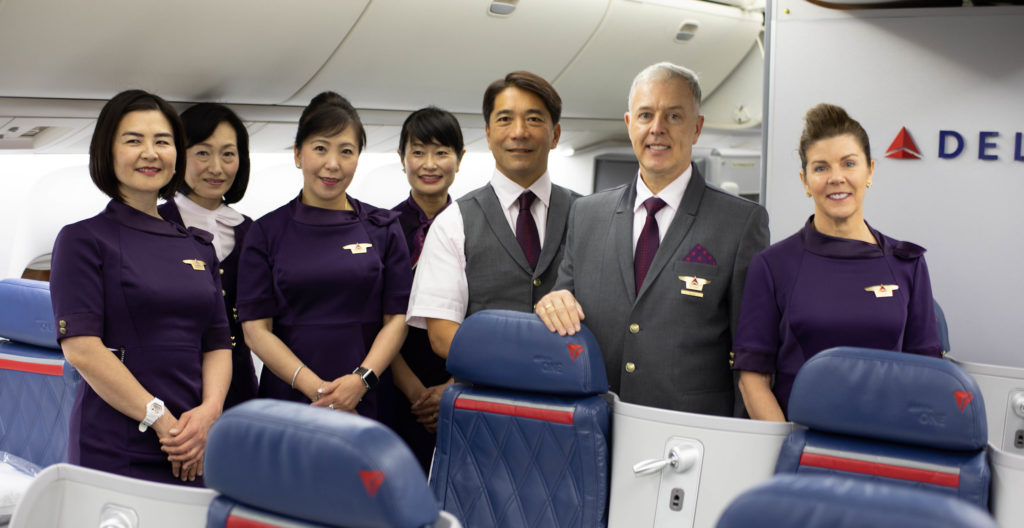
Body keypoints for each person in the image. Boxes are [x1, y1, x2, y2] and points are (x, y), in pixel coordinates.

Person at [535, 62, 769, 416]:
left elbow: (750, 354)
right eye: (646, 115)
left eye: (674, 116)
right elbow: (565, 303)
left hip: (691, 432)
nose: (657, 129)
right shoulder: (587, 214)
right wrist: (552, 301)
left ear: (697, 128)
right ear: (630, 124)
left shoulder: (739, 223)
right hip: (597, 422)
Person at [50, 89, 232, 485]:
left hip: (194, 440)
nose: (150, 152)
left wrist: (209, 413)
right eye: (133, 140)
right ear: (107, 153)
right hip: (118, 443)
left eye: (162, 142)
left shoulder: (198, 245)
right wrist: (162, 421)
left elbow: (218, 342)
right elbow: (82, 349)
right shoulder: (83, 240)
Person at [732, 103, 942, 421]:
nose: (836, 178)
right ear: (805, 181)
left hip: (888, 445)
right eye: (821, 168)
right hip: (800, 448)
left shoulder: (906, 264)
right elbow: (752, 380)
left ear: (870, 171)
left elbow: (928, 375)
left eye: (849, 164)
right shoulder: (773, 266)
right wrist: (788, 450)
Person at [237, 91, 410, 420]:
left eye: (346, 151)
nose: (333, 164)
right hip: (290, 397)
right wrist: (318, 390)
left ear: (358, 157)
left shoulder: (384, 227)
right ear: (298, 154)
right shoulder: (265, 232)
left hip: (367, 396)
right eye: (320, 148)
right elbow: (256, 330)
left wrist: (361, 380)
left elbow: (397, 319)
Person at [407, 71, 579, 358]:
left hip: (573, 395)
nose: (519, 132)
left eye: (534, 119)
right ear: (488, 134)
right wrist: (520, 365)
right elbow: (442, 335)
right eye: (505, 119)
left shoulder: (589, 217)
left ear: (555, 135)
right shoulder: (454, 221)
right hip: (488, 397)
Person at [158, 103, 257, 410]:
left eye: (228, 154)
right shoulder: (157, 225)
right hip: (173, 382)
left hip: (239, 384)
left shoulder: (251, 231)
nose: (217, 167)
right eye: (202, 153)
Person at [389, 106, 463, 471]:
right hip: (394, 384)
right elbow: (377, 319)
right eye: (418, 152)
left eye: (442, 152)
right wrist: (417, 393)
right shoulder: (381, 230)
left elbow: (484, 310)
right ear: (402, 159)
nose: (429, 164)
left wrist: (453, 385)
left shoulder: (475, 225)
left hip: (465, 384)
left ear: (460, 159)